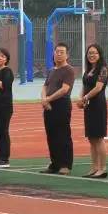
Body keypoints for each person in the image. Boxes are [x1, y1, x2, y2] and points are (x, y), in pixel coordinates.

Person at [41, 43, 75, 175]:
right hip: (48, 106)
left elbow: (64, 89)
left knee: (63, 135)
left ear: (67, 55)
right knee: (51, 135)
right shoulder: (51, 70)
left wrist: (48, 99)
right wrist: (44, 99)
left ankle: (65, 164)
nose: (58, 54)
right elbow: (45, 87)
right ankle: (54, 163)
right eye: (57, 52)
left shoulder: (68, 70)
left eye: (62, 52)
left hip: (61, 105)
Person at [77, 44, 108, 178]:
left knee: (99, 138)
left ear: (100, 54)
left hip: (98, 105)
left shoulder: (103, 70)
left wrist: (85, 98)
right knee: (91, 138)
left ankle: (103, 168)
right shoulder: (88, 70)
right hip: (88, 106)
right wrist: (80, 99)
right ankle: (94, 167)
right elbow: (84, 86)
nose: (92, 55)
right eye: (89, 53)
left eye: (95, 53)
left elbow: (98, 88)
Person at [0, 48, 14, 168]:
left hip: (4, 106)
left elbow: (3, 85)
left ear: (6, 59)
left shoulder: (7, 71)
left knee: (2, 131)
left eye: (2, 56)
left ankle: (4, 159)